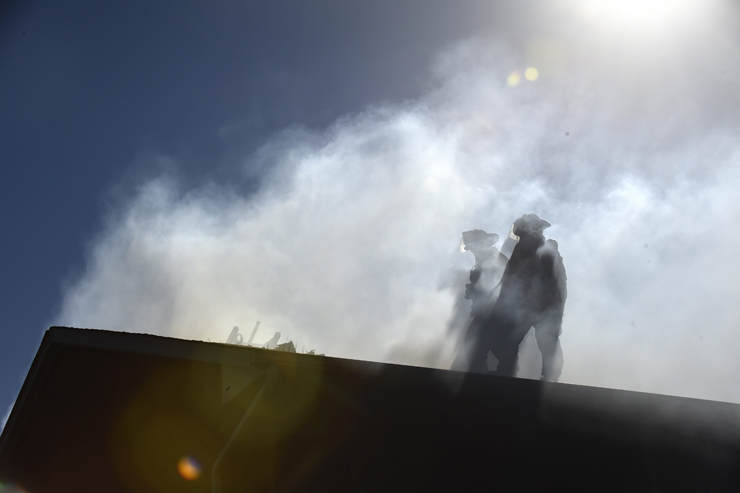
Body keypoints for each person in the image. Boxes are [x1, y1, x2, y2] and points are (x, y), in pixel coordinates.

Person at [466, 214, 566, 381]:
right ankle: (511, 374)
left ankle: (544, 379)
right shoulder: (532, 249)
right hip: (533, 306)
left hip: (534, 306)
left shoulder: (540, 250)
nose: (519, 234)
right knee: (518, 342)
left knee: (539, 344)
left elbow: (546, 282)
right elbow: (513, 277)